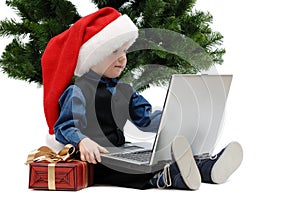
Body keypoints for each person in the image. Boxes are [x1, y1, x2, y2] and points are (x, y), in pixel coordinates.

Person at [41, 7, 243, 190]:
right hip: (95, 159)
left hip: (121, 151)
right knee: (126, 169)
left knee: (154, 154)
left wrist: (173, 118)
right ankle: (166, 177)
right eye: (114, 51)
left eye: (125, 51)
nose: (122, 58)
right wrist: (82, 141)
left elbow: (145, 119)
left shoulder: (124, 90)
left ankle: (206, 168)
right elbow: (64, 127)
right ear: (93, 56)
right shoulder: (78, 91)